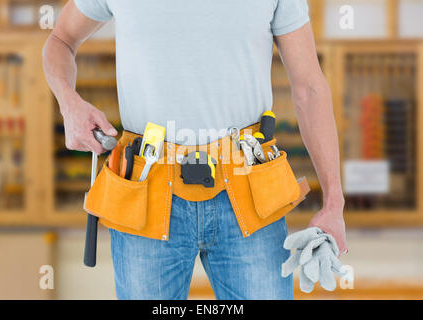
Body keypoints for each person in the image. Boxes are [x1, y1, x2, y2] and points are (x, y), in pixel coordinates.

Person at [43, 0, 347, 300]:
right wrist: (69, 104)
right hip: (146, 190)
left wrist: (334, 204)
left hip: (249, 192)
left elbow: (309, 88)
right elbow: (60, 39)